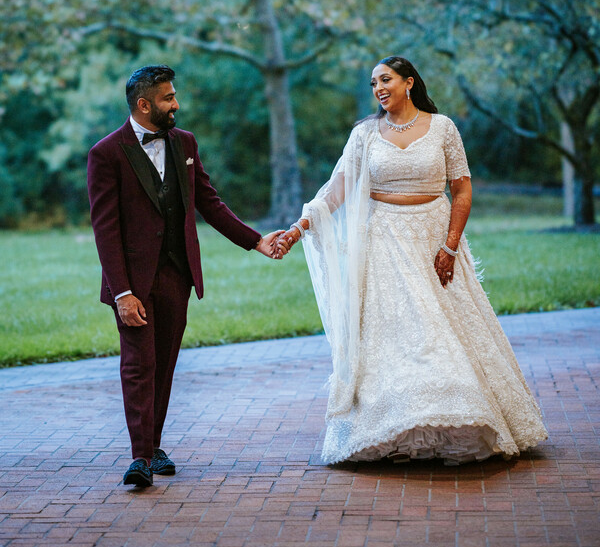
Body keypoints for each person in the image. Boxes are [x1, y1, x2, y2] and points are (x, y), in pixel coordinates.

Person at [279, 56, 548, 465]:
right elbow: (335, 191)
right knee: (399, 335)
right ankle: (394, 428)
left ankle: (462, 415)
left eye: (385, 80)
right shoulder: (365, 134)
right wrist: (298, 229)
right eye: (373, 83)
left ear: (409, 82)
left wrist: (451, 245)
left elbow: (461, 190)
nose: (378, 89)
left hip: (433, 236)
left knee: (447, 329)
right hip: (383, 238)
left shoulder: (442, 127)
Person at [88, 64, 284, 487]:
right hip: (133, 282)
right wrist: (122, 292)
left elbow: (209, 203)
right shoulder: (106, 153)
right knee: (139, 364)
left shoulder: (185, 144)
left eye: (174, 96)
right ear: (144, 105)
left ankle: (152, 445)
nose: (177, 104)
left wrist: (255, 241)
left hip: (177, 275)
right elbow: (106, 229)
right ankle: (140, 457)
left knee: (164, 365)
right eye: (168, 98)